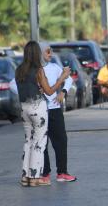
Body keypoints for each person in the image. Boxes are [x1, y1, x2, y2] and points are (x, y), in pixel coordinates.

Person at [15, 41, 70, 187]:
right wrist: (62, 78)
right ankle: (35, 178)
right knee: (40, 143)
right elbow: (50, 91)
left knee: (29, 142)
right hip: (38, 109)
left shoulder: (19, 69)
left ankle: (25, 177)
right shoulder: (39, 70)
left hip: (24, 108)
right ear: (37, 53)